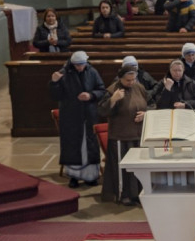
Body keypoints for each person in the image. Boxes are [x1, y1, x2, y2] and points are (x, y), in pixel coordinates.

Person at [49, 51, 106, 188]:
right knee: (73, 145)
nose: (80, 67)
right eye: (77, 65)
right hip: (71, 116)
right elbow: (55, 96)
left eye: (82, 64)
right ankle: (73, 177)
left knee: (89, 145)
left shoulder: (92, 72)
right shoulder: (63, 73)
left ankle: (91, 176)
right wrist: (54, 82)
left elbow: (101, 90)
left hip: (88, 115)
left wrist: (91, 95)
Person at [97, 66, 147, 206]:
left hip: (138, 135)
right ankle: (123, 195)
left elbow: (152, 104)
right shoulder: (112, 90)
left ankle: (137, 194)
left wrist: (145, 114)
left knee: (137, 167)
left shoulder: (139, 87)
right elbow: (101, 111)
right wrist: (113, 100)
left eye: (133, 79)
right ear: (120, 78)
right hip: (120, 136)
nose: (131, 82)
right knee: (122, 169)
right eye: (128, 80)